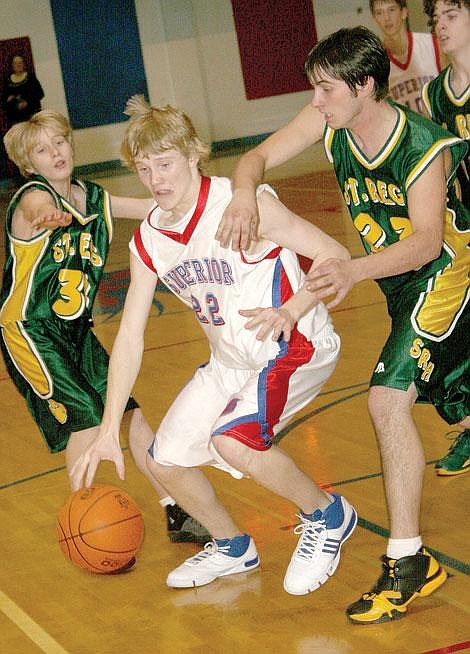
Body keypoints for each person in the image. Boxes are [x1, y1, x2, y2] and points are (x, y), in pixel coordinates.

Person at [216, 26, 469, 623]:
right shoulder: (331, 122)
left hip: (447, 276)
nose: (317, 101)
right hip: (398, 281)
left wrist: (351, 271)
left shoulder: (423, 146)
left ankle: (409, 560)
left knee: (386, 401)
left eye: (326, 89)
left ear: (365, 85)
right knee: (451, 398)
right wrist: (245, 195)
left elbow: (428, 244)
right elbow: (254, 158)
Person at [70, 95, 358, 595]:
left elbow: (334, 254)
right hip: (230, 361)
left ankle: (327, 514)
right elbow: (131, 338)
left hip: (294, 344)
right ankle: (231, 546)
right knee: (163, 459)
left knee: (234, 438)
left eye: (165, 164)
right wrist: (108, 426)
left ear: (192, 155)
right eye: (144, 168)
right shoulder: (149, 239)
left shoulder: (240, 205)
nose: (156, 179)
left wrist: (291, 310)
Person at [0, 109, 209, 545]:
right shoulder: (32, 198)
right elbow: (37, 207)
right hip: (30, 330)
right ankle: (82, 525)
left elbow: (155, 205)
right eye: (42, 149)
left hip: (76, 331)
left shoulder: (93, 197)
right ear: (28, 165)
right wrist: (47, 217)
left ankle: (176, 509)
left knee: (128, 417)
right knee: (89, 422)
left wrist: (205, 197)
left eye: (59, 141)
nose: (55, 152)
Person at [421, 1, 470, 476]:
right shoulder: (436, 93)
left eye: (451, 15)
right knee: (452, 333)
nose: (440, 26)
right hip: (467, 225)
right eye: (434, 19)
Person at [369, 0, 441, 114]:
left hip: (439, 127)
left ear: (404, 12)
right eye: (379, 12)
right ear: (374, 18)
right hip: (409, 130)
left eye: (391, 10)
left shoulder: (433, 43)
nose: (386, 18)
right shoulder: (376, 63)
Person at [4, 54, 44, 126]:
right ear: (12, 65)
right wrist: (10, 99)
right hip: (16, 118)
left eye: (20, 62)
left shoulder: (30, 77)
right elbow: (4, 98)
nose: (18, 65)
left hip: (32, 115)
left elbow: (40, 94)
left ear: (24, 64)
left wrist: (27, 102)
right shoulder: (7, 80)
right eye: (15, 63)